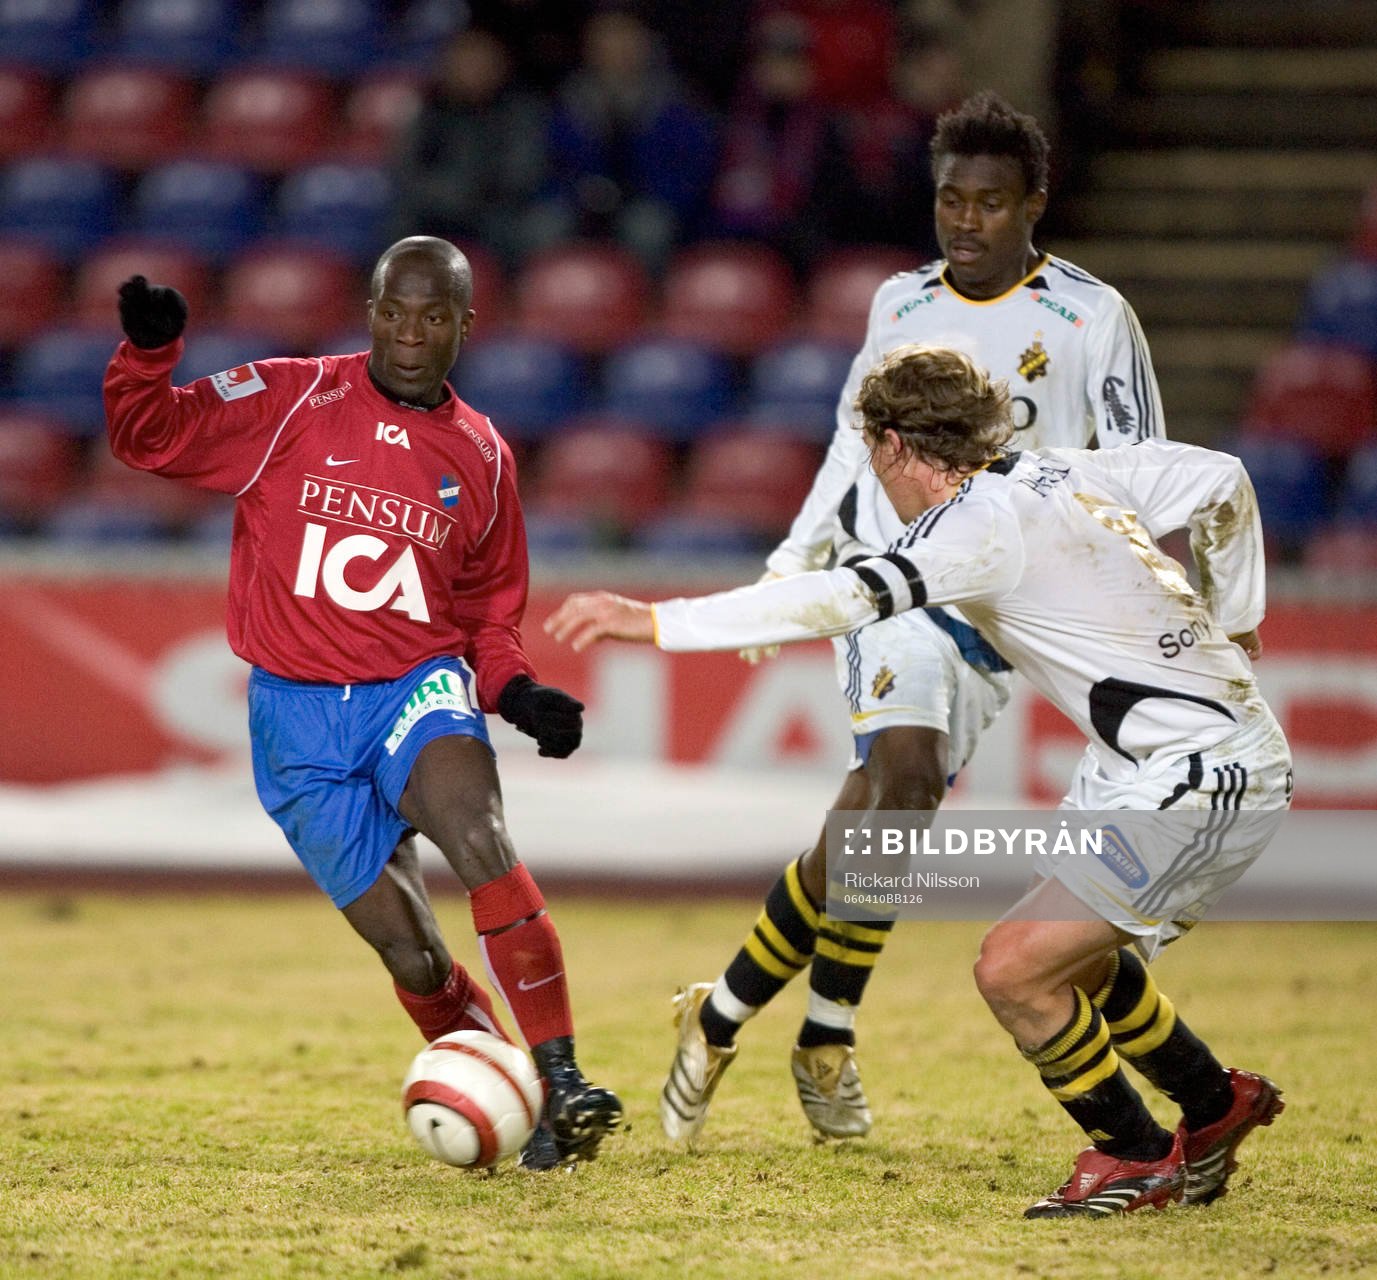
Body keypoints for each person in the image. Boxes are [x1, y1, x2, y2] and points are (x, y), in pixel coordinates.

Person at [545, 343, 1290, 1217]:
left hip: (1196, 776)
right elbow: (1223, 479)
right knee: (1080, 966)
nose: (874, 472)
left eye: (871, 453)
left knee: (1011, 971)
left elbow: (837, 598)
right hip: (1160, 765)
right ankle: (1213, 1105)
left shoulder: (967, 526)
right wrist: (1235, 620)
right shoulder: (1060, 471)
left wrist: (655, 619)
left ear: (895, 446)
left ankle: (1131, 1154)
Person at [643, 89, 1169, 1152]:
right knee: (908, 778)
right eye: (949, 199)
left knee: (877, 823)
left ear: (1034, 202)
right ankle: (826, 1037)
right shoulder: (899, 304)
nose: (964, 219)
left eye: (988, 201)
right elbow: (850, 446)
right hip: (891, 580)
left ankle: (731, 1013)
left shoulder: (1090, 317)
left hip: (1012, 606)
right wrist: (791, 564)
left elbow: (1140, 472)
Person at [102, 236, 623, 1172]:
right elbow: (152, 439)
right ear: (370, 311)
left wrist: (514, 692)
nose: (409, 335)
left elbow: (485, 615)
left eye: (433, 317)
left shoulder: (484, 455)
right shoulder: (290, 396)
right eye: (393, 312)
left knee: (480, 841)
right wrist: (148, 357)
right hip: (294, 721)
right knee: (414, 958)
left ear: (466, 325)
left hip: (411, 688)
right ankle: (523, 1093)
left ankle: (565, 1077)